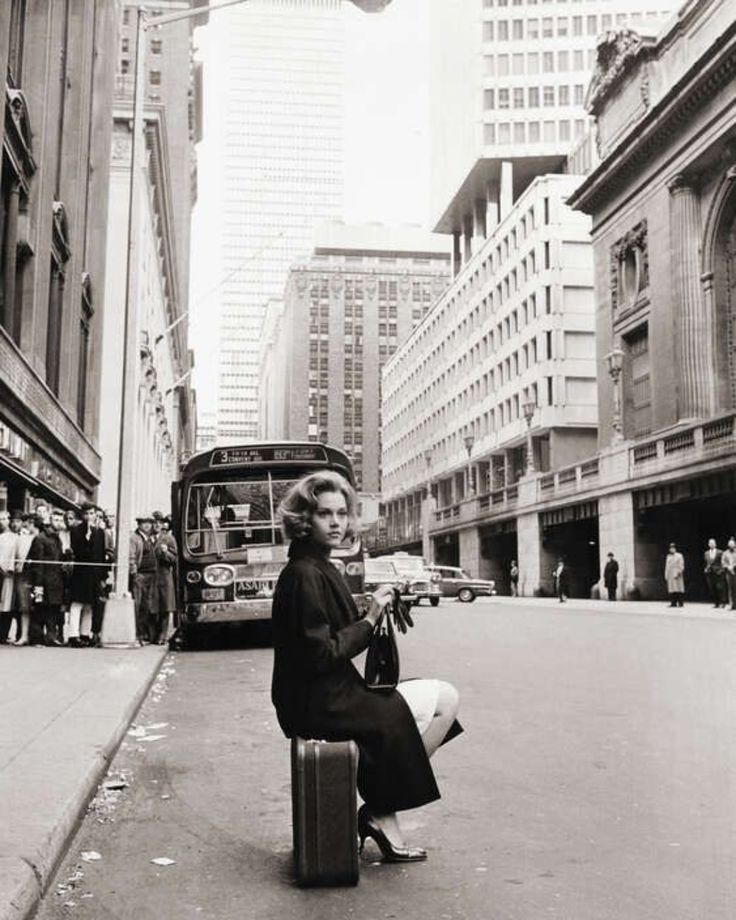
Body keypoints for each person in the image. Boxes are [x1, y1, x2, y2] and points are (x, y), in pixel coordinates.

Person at [271, 471, 462, 862]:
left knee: (429, 705)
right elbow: (321, 654)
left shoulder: (316, 566)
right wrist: (371, 618)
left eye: (342, 513)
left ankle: (381, 806)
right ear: (305, 520)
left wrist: (372, 608)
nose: (337, 522)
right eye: (325, 514)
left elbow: (331, 632)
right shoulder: (306, 573)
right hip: (320, 702)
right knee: (444, 701)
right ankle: (379, 810)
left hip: (328, 694)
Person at [68, 502, 108, 647]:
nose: (89, 517)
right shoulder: (76, 531)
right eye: (86, 514)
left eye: (91, 513)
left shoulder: (100, 532)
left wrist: (103, 575)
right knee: (77, 603)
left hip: (94, 573)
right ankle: (73, 635)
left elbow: (102, 555)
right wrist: (87, 537)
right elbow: (78, 551)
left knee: (90, 605)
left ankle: (85, 634)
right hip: (80, 572)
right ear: (82, 515)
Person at [27, 509, 66, 646]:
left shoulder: (58, 538)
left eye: (61, 520)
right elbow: (37, 563)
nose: (59, 523)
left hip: (56, 580)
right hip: (43, 581)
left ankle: (50, 637)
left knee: (53, 609)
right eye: (56, 520)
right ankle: (36, 638)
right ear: (49, 521)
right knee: (39, 609)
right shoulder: (40, 538)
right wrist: (37, 584)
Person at [130, 514, 159, 644]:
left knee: (146, 606)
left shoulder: (149, 538)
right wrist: (133, 571)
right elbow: (131, 556)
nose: (147, 525)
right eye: (144, 523)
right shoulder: (134, 538)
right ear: (139, 524)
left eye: (149, 523)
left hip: (150, 575)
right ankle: (137, 634)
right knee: (138, 605)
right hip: (140, 575)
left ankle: (142, 634)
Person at [152, 511, 177, 644]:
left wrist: (165, 552)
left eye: (159, 523)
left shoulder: (168, 538)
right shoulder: (147, 537)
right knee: (152, 607)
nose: (156, 525)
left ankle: (162, 636)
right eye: (154, 523)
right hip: (151, 577)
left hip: (164, 576)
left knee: (165, 608)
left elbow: (174, 558)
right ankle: (151, 635)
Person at [12, 512, 37, 645]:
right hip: (23, 574)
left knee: (35, 605)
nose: (28, 525)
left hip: (35, 575)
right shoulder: (21, 538)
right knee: (24, 606)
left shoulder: (37, 537)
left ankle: (34, 635)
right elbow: (18, 556)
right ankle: (23, 635)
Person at [0, 509, 17, 642]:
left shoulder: (13, 537)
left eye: (5, 518)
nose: (3, 522)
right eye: (0, 519)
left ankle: (3, 633)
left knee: (6, 603)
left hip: (7, 574)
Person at [703, 538, 726, 608]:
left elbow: (723, 562)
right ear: (708, 544)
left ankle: (722, 602)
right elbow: (705, 563)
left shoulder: (720, 552)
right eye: (710, 543)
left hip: (718, 572)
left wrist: (721, 570)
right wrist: (706, 569)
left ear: (715, 544)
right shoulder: (706, 553)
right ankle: (716, 603)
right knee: (712, 588)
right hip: (710, 573)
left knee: (720, 588)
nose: (711, 544)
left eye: (713, 543)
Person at [665, 542, 685, 608]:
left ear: (675, 549)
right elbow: (667, 566)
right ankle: (673, 603)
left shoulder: (679, 555)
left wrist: (679, 572)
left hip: (677, 574)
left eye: (673, 548)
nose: (672, 549)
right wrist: (666, 574)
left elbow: (681, 565)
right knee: (671, 589)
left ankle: (680, 602)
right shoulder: (668, 556)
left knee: (679, 589)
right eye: (670, 548)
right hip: (670, 574)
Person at [722, 537, 736, 611]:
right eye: (730, 544)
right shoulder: (725, 553)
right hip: (729, 573)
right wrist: (728, 567)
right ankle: (732, 605)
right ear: (728, 545)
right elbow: (723, 562)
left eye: (733, 544)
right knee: (730, 589)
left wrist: (733, 566)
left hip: (735, 571)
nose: (731, 546)